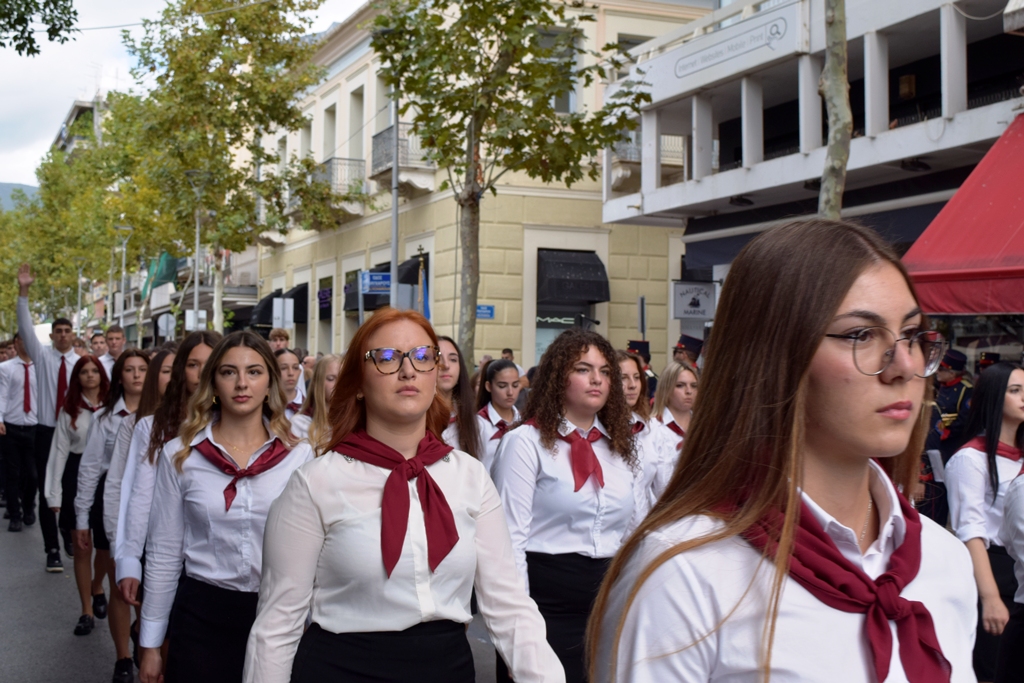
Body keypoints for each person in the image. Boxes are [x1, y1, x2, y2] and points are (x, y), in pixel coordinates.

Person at [588, 219, 975, 683]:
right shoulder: (687, 573)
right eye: (861, 335)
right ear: (773, 354)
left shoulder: (944, 559)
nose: (906, 366)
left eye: (912, 335)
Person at [243, 308, 563, 683]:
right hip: (342, 669)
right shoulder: (316, 482)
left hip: (448, 668)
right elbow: (277, 627)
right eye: (387, 357)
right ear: (358, 383)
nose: (408, 370)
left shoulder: (469, 477)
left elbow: (509, 608)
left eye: (423, 357)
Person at [138, 331, 312, 683]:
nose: (242, 383)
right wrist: (151, 645)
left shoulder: (301, 455)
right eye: (229, 372)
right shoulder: (180, 455)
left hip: (280, 617)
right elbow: (164, 552)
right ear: (213, 383)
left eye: (254, 372)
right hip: (202, 614)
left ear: (270, 383)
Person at [492, 329, 644, 683]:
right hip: (545, 605)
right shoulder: (524, 443)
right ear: (559, 377)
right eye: (583, 368)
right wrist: (519, 631)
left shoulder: (619, 446)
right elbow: (509, 540)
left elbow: (632, 531)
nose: (596, 379)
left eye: (605, 372)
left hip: (606, 605)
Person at [115, 332, 220, 607]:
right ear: (181, 369)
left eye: (209, 364)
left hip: (216, 557)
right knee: (156, 635)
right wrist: (128, 559)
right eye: (192, 364)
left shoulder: (237, 427)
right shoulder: (151, 427)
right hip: (162, 550)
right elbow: (137, 496)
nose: (200, 374)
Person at [946, 362, 1024, 683]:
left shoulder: (1019, 455)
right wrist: (989, 598)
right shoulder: (970, 459)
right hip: (994, 574)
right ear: (993, 397)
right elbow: (971, 531)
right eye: (1015, 390)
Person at [75, 350, 148, 683]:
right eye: (129, 370)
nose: (136, 375)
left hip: (148, 503)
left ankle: (145, 635)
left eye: (143, 369)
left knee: (148, 584)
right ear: (119, 376)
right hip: (113, 498)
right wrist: (81, 517)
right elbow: (90, 468)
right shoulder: (106, 419)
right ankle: (122, 658)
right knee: (120, 580)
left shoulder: (163, 415)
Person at [18, 263, 81, 572]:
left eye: (67, 331)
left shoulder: (83, 364)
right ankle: (52, 549)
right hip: (45, 431)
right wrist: (24, 291)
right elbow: (25, 327)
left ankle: (67, 532)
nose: (63, 336)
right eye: (58, 331)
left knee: (70, 489)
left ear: (73, 335)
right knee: (47, 491)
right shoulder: (42, 356)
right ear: (53, 336)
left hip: (73, 433)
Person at [44, 355, 109, 635]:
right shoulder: (69, 409)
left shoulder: (113, 405)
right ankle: (86, 610)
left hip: (107, 478)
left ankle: (98, 586)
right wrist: (53, 495)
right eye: (84, 372)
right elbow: (58, 451)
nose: (90, 376)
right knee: (82, 546)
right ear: (77, 377)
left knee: (105, 546)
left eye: (95, 371)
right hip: (75, 473)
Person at [921, 349, 975, 526]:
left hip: (950, 446)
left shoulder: (965, 390)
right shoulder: (937, 388)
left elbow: (966, 419)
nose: (937, 372)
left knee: (942, 488)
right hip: (932, 445)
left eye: (942, 369)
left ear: (952, 372)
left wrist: (945, 433)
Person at [617, 350, 673, 507]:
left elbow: (665, 489)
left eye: (636, 378)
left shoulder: (651, 428)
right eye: (623, 378)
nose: (632, 385)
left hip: (641, 527)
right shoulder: (595, 429)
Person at [0, 334, 38, 533]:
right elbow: (2, 395)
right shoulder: (6, 368)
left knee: (32, 474)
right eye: (22, 339)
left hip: (34, 426)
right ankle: (15, 515)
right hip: (12, 425)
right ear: (16, 343)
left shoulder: (39, 367)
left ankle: (29, 503)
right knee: (12, 474)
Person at [650, 361, 699, 499]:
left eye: (694, 386)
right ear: (667, 389)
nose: (689, 391)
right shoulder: (652, 429)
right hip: (662, 512)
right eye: (680, 385)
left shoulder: (704, 428)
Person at [438, 336, 483, 459]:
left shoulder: (475, 422)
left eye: (453, 359)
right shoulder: (414, 419)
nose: (446, 365)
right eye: (437, 358)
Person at [476, 358, 522, 472]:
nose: (510, 392)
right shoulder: (478, 424)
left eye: (515, 385)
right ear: (489, 386)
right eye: (502, 386)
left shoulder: (525, 422)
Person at [290, 354, 341, 445]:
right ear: (318, 383)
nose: (339, 385)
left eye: (343, 379)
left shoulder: (354, 422)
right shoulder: (299, 423)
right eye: (331, 379)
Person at [275, 348, 305, 419]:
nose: (291, 373)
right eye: (283, 368)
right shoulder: (263, 407)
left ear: (300, 372)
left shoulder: (310, 407)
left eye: (295, 368)